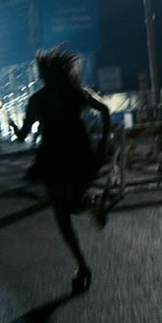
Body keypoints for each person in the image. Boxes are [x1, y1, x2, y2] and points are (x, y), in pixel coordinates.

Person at [9, 44, 110, 294]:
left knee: (63, 217)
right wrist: (103, 145)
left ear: (43, 75)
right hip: (80, 152)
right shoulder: (77, 92)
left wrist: (15, 128)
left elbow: (23, 136)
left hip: (53, 157)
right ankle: (93, 203)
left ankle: (82, 265)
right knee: (75, 203)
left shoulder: (37, 100)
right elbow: (105, 111)